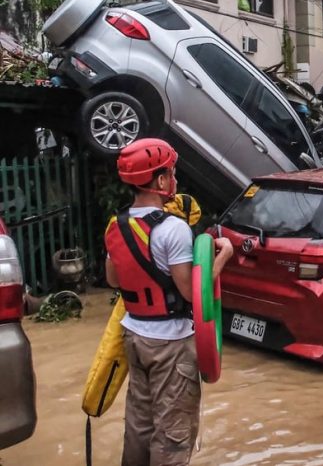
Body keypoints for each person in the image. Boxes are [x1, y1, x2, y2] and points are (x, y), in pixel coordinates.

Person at [104, 138, 233, 465]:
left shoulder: (116, 226)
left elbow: (113, 281)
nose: (175, 180)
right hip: (171, 343)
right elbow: (194, 293)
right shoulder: (173, 228)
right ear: (160, 181)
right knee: (173, 432)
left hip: (133, 335)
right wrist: (223, 258)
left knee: (139, 423)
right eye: (171, 174)